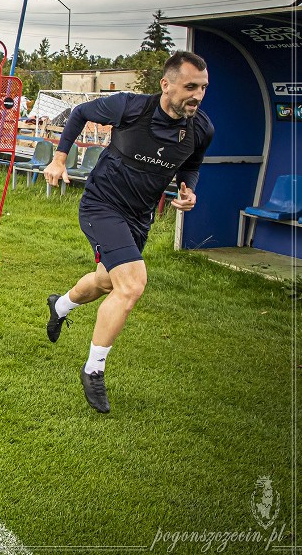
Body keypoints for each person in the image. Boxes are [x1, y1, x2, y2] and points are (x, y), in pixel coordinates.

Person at [42, 51, 214, 414]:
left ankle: (60, 305)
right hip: (101, 205)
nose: (197, 95)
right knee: (132, 284)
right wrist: (59, 158)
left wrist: (187, 189)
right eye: (190, 87)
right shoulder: (130, 107)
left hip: (139, 217)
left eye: (202, 88)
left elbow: (192, 165)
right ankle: (93, 370)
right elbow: (80, 113)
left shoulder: (201, 129)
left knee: (106, 282)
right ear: (166, 85)